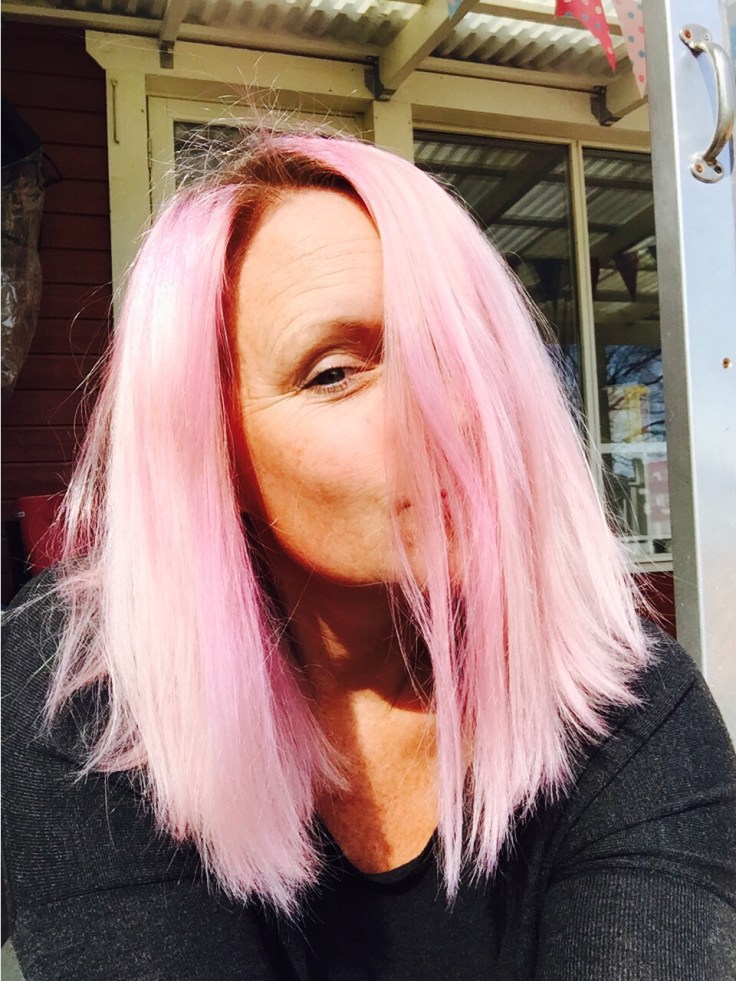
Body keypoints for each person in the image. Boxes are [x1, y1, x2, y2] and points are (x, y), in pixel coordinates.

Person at [2, 130, 735, 981]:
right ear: (214, 456)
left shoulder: (634, 710)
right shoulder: (84, 689)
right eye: (335, 372)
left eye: (459, 347)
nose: (447, 407)